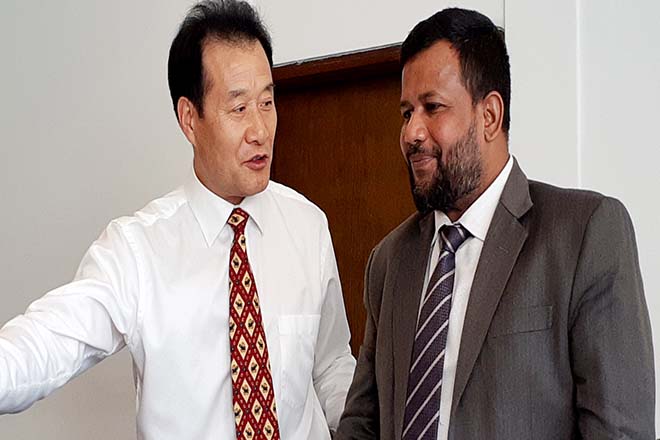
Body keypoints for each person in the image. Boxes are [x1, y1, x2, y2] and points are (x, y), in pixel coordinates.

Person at [0, 1, 355, 439]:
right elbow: (50, 339)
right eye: (239, 108)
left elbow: (331, 363)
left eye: (267, 102)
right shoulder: (137, 249)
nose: (261, 130)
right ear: (190, 119)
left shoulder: (308, 226)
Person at [336, 7, 654, 440]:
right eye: (407, 112)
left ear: (489, 116)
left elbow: (620, 431)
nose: (412, 132)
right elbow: (362, 423)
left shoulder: (585, 234)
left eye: (432, 107)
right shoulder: (389, 261)